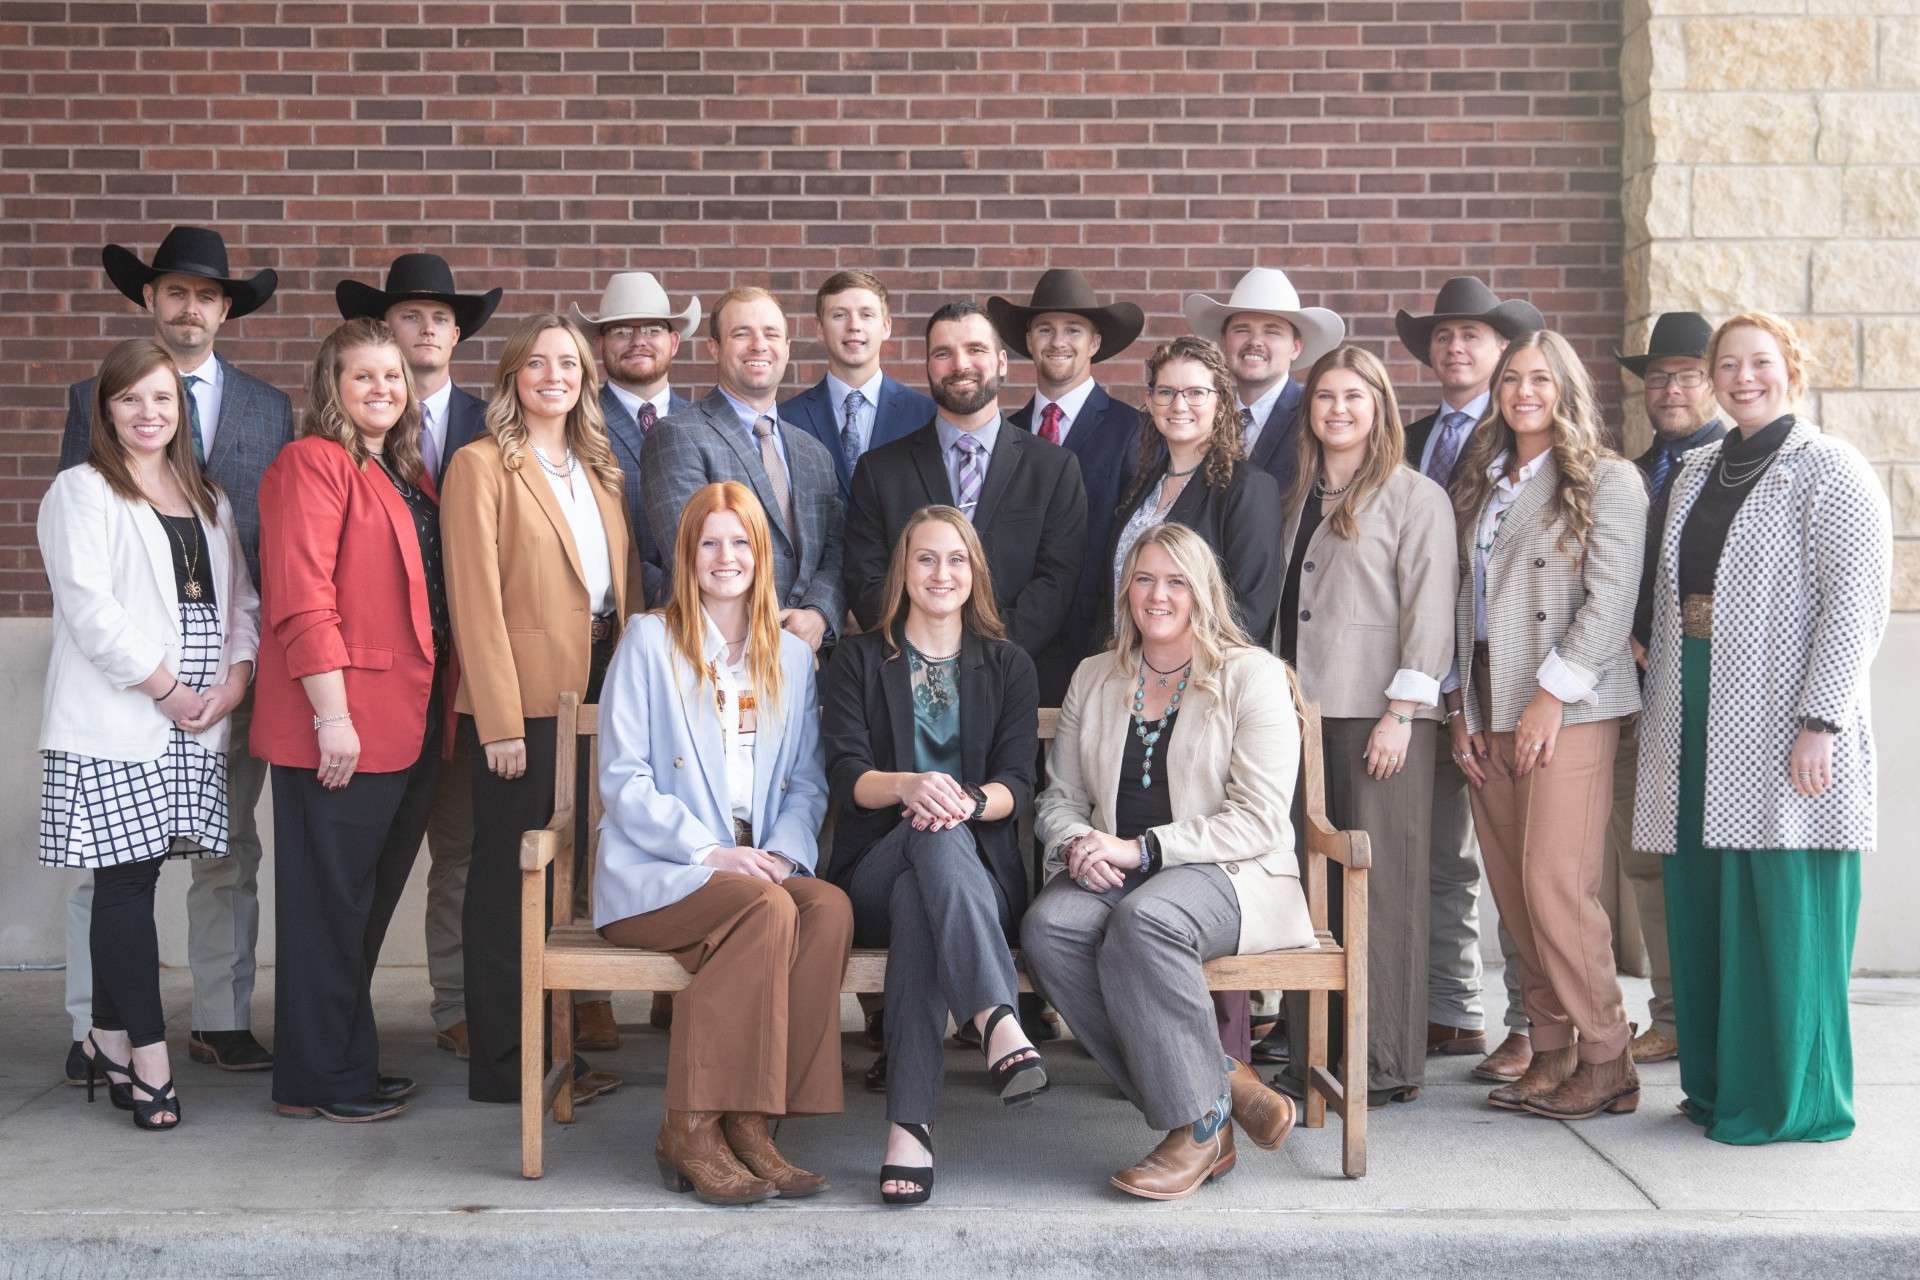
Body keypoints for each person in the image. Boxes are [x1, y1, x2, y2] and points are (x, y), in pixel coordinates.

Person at [1634, 313, 1890, 1145]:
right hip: (1693, 696)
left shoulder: (1831, 468)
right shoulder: (1695, 470)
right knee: (1705, 898)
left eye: (1760, 362)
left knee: (1780, 899)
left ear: (1791, 369)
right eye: (1728, 365)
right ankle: (1718, 1087)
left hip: (1783, 707)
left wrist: (1821, 721)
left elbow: (1855, 602)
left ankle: (1789, 1098)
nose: (1744, 378)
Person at [55, 226, 291, 1079]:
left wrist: (240, 670)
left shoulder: (268, 407)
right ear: (150, 300)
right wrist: (149, 677)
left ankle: (221, 1018)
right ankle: (95, 1027)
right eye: (177, 292)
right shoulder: (93, 397)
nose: (192, 308)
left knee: (228, 849)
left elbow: (264, 544)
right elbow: (84, 561)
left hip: (228, 670)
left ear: (226, 310)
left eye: (208, 295)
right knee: (111, 860)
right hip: (127, 683)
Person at [1022, 523, 1313, 1201]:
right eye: (1145, 579)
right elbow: (1059, 798)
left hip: (1232, 874)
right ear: (1126, 590)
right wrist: (1076, 845)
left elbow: (1260, 818)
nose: (1158, 595)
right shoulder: (1096, 676)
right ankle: (1221, 1081)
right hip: (1118, 868)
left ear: (1202, 592)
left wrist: (1143, 849)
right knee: (1050, 928)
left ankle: (1198, 1125)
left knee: (1146, 918)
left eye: (1176, 581)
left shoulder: (1252, 675)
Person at [594, 482, 851, 1205]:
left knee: (827, 908)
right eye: (710, 542)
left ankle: (754, 1121)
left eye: (740, 542)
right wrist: (712, 853)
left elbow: (808, 782)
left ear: (762, 556)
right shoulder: (650, 641)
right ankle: (692, 1127)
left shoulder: (791, 658)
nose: (725, 556)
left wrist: (783, 857)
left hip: (755, 863)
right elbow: (622, 777)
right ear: (687, 555)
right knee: (765, 910)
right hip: (662, 869)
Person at [37, 339, 261, 1130]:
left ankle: (105, 1038)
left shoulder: (209, 498)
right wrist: (167, 688)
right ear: (105, 409)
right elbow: (90, 609)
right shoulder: (82, 490)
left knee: (140, 877)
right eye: (130, 398)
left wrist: (234, 681)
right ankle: (151, 1063)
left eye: (162, 398)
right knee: (125, 884)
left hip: (197, 722)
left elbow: (240, 603)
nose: (147, 412)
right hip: (122, 716)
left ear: (181, 410)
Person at [1444, 329, 1647, 1120]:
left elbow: (1611, 601)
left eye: (1540, 378)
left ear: (1566, 388)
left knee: (1555, 884)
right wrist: (1460, 708)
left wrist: (1550, 697)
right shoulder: (1484, 482)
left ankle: (1607, 1055)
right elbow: (1463, 603)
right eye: (1511, 379)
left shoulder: (1607, 478)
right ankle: (1553, 1047)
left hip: (1569, 701)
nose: (1524, 392)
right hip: (1487, 696)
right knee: (1514, 890)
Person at [252, 317, 451, 1123]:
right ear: (331, 386)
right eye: (363, 375)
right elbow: (302, 596)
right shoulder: (312, 463)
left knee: (357, 906)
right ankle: (325, 1079)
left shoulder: (403, 473)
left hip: (408, 718)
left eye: (392, 376)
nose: (382, 389)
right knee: (327, 906)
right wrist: (331, 715)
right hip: (342, 724)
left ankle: (331, 1064)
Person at [822, 506, 1044, 1205]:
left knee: (928, 884)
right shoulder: (858, 659)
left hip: (975, 881)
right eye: (925, 558)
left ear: (974, 571)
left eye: (955, 559)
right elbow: (848, 777)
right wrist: (912, 787)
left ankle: (909, 1130)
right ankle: (996, 1018)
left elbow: (1017, 784)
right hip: (874, 870)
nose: (941, 573)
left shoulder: (1008, 665)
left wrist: (963, 804)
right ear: (903, 570)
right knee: (927, 837)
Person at [441, 313, 634, 1106]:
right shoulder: (481, 465)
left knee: (566, 880)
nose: (554, 376)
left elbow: (619, 591)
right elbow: (474, 602)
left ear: (587, 379)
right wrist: (500, 722)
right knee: (507, 881)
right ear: (513, 376)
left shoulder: (600, 469)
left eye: (569, 364)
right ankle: (504, 1066)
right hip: (524, 702)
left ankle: (556, 1054)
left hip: (598, 689)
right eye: (538, 363)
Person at [1269, 344, 1455, 1107]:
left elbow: (1431, 612)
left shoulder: (1415, 498)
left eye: (1354, 396)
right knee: (1310, 889)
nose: (1338, 409)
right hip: (1300, 719)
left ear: (1379, 408)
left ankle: (1381, 1062)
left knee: (1380, 890)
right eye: (1325, 396)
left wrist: (1401, 713)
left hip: (1378, 720)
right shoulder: (1296, 497)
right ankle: (1313, 1052)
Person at [336, 250, 502, 1063]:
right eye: (411, 315)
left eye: (441, 317)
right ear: (384, 328)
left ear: (457, 334)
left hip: (475, 675)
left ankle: (458, 1005)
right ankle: (339, 1017)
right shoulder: (345, 438)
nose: (427, 328)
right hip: (380, 679)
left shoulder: (494, 421)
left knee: (464, 849)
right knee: (368, 854)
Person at [1394, 275, 1545, 1084]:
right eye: (1444, 336)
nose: (1456, 347)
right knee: (1437, 852)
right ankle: (1452, 1008)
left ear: (1501, 350)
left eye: (1473, 336)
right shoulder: (1406, 437)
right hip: (1423, 673)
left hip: (1504, 669)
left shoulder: (1525, 432)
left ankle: (1531, 1023)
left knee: (1521, 859)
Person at [844, 301, 1088, 670]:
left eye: (975, 349)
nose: (960, 365)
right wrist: (929, 655)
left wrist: (990, 658)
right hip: (907, 674)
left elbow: (1057, 581)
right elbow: (867, 579)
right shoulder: (879, 471)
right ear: (928, 366)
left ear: (1001, 362)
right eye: (943, 353)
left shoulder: (1054, 469)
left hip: (1015, 675)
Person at [1610, 311, 1726, 1067]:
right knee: (1646, 861)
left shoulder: (1734, 467)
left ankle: (1720, 1014)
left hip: (1710, 694)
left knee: (1712, 860)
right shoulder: (1633, 471)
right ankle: (1675, 1017)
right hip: (1628, 696)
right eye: (1658, 377)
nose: (1671, 389)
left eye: (1687, 375)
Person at [641, 286, 844, 653]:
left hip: (808, 658)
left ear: (786, 348)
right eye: (741, 334)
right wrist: (770, 629)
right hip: (714, 655)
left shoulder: (814, 453)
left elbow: (836, 550)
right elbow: (690, 552)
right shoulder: (677, 436)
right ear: (714, 348)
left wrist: (817, 614)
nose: (758, 345)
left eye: (771, 334)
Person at [989, 268, 1145, 705]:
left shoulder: (1133, 431)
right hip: (1012, 648)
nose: (1058, 341)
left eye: (1073, 329)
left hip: (1098, 649)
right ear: (1028, 341)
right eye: (1045, 329)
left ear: (1094, 343)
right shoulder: (1002, 434)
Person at [1108, 336, 1283, 644]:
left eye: (1196, 393)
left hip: (1203, 665)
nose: (1179, 405)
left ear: (1221, 404)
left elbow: (1251, 609)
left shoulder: (1248, 488)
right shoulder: (1142, 485)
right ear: (1150, 400)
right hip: (1127, 661)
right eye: (1166, 392)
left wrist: (1176, 662)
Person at [571, 271, 699, 608]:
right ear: (600, 344)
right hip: (610, 609)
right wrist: (657, 587)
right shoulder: (575, 424)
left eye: (653, 330)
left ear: (674, 342)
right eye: (622, 331)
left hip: (699, 608)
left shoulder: (703, 424)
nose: (638, 341)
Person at [1182, 266, 1345, 500]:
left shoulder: (1314, 417)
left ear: (1295, 348)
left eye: (1272, 332)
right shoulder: (1203, 415)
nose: (1255, 342)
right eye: (1242, 330)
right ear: (1224, 341)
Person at [782, 270, 937, 501]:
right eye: (839, 315)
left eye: (866, 315)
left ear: (886, 326)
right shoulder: (786, 419)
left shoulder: (926, 415)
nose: (854, 325)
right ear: (819, 328)